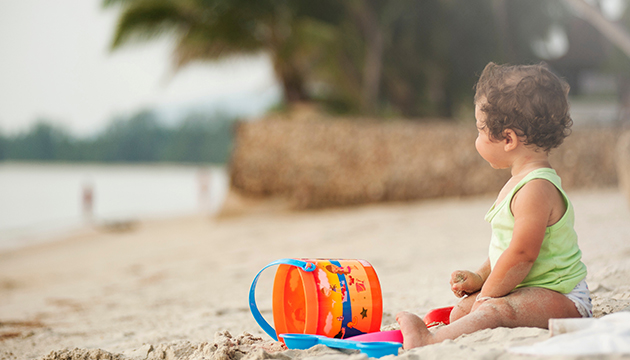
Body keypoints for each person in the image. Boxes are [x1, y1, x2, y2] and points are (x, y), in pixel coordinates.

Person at [396, 62, 593, 349]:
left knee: (494, 310)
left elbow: (522, 254)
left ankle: (428, 339)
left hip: (564, 297)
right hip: (532, 287)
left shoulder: (536, 189)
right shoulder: (520, 183)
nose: (476, 138)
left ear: (508, 139)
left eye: (480, 129)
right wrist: (480, 277)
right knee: (462, 311)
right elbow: (509, 248)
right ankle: (457, 321)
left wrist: (487, 296)